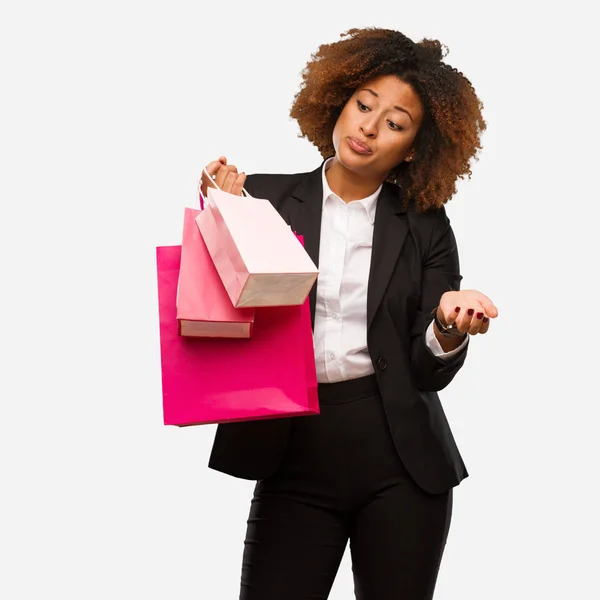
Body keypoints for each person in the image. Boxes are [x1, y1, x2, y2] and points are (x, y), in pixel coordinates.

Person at [199, 27, 497, 600]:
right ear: (338, 101)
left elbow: (427, 367)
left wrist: (447, 326)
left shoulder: (426, 224)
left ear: (412, 148)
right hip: (291, 453)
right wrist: (218, 214)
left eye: (394, 122)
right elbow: (221, 315)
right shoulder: (261, 199)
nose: (367, 127)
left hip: (400, 461)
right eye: (364, 106)